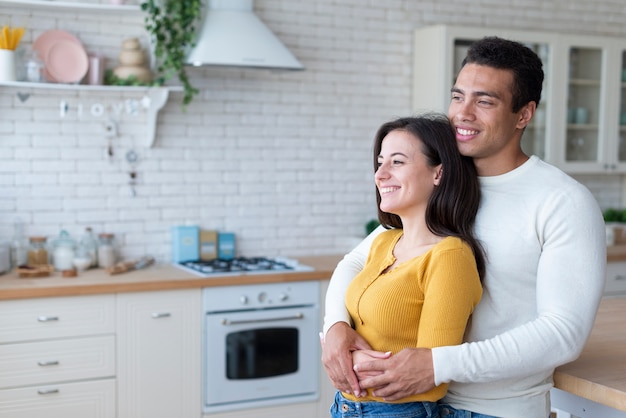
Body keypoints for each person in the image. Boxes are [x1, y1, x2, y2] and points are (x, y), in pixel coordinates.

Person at [321, 36, 607, 418]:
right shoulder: (445, 182)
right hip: (413, 405)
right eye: (458, 97)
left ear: (524, 114)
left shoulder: (561, 201)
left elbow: (562, 333)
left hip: (494, 410)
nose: (463, 113)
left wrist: (438, 365)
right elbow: (356, 262)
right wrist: (336, 326)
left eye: (485, 101)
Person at [325, 113, 484, 418]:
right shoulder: (385, 243)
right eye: (380, 162)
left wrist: (349, 361)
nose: (380, 174)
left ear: (439, 173)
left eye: (397, 162)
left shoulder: (450, 256)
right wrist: (336, 329)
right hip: (344, 407)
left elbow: (432, 374)